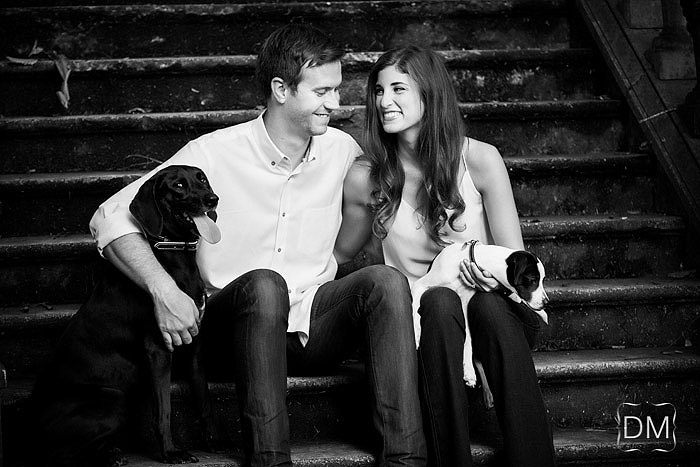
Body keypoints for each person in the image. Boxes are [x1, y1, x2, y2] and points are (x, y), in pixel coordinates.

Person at [89, 24, 426, 467]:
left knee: (385, 281)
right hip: (229, 335)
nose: (335, 104)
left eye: (337, 90)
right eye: (322, 92)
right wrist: (164, 290)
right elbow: (109, 217)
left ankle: (405, 461)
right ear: (281, 89)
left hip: (311, 328)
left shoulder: (341, 150)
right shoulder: (213, 153)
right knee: (266, 284)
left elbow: (400, 185)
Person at [335, 46, 556, 467]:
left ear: (430, 93)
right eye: (378, 90)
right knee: (438, 301)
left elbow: (517, 261)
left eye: (398, 89)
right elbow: (339, 252)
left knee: (488, 304)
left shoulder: (480, 160)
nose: (384, 101)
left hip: (494, 317)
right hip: (423, 324)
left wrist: (493, 285)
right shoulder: (368, 177)